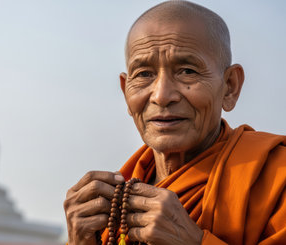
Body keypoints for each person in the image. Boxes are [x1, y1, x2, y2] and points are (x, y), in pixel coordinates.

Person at [63, 1, 286, 244]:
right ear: (126, 91)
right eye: (144, 74)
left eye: (187, 71)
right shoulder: (111, 207)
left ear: (230, 87)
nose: (161, 95)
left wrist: (194, 241)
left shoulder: (276, 177)